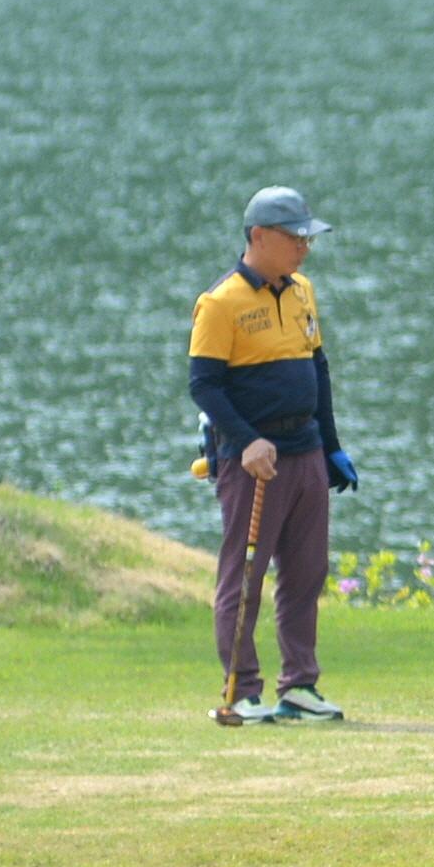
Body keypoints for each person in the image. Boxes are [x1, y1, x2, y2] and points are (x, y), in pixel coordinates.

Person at [189, 185, 357, 726]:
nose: (305, 247)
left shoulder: (303, 290)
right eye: (295, 237)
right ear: (259, 237)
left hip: (304, 449)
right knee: (244, 577)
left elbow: (319, 371)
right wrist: (244, 441)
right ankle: (241, 689)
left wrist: (331, 447)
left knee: (307, 571)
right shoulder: (221, 303)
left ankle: (300, 685)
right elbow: (206, 387)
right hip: (253, 460)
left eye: (308, 237)